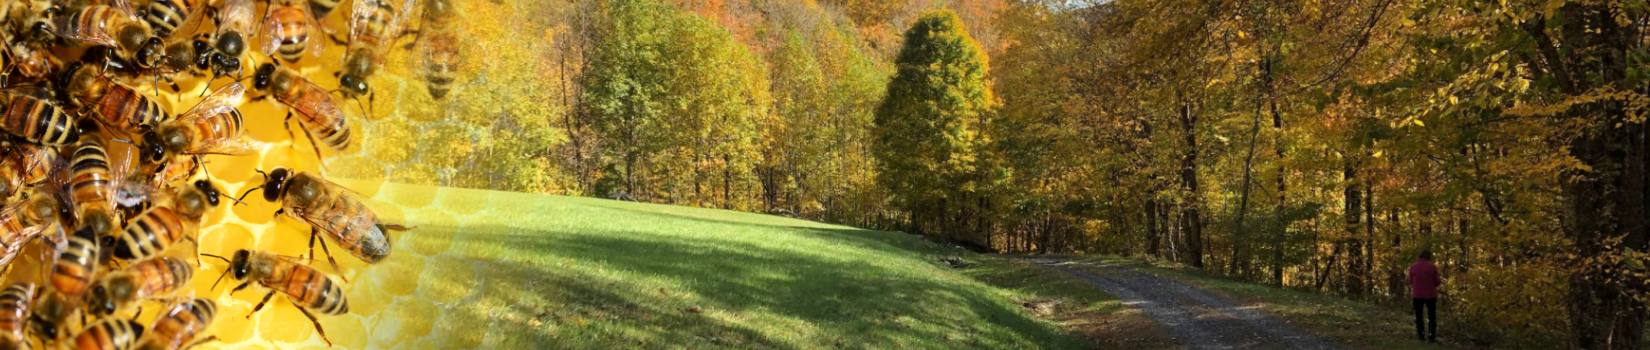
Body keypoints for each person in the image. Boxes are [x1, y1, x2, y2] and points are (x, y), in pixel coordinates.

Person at [1408, 249, 1441, 342]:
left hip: (1417, 294)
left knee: (1418, 315)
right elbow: (1437, 281)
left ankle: (1421, 335)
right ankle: (1431, 336)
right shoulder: (1432, 266)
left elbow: (1410, 281)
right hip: (1431, 294)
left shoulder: (1413, 266)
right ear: (1429, 257)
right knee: (1432, 316)